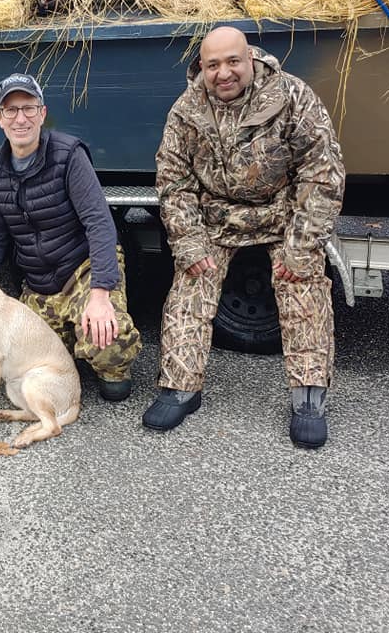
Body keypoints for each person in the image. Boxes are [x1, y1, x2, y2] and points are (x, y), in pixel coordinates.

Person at [147, 25, 345, 448]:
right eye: (213, 64)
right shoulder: (186, 111)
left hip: (282, 214)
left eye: (233, 61)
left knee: (302, 285)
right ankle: (181, 389)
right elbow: (173, 182)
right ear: (201, 67)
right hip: (217, 218)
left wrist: (301, 245)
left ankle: (308, 397)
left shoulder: (292, 96)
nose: (224, 73)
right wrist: (190, 244)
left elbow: (322, 173)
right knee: (189, 287)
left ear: (250, 59)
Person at [0, 73, 142, 401]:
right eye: (10, 111)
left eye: (28, 108)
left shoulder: (69, 155)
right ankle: (67, 342)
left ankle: (111, 368)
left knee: (108, 343)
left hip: (81, 271)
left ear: (42, 113)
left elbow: (99, 223)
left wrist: (99, 296)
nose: (20, 118)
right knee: (13, 363)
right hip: (38, 285)